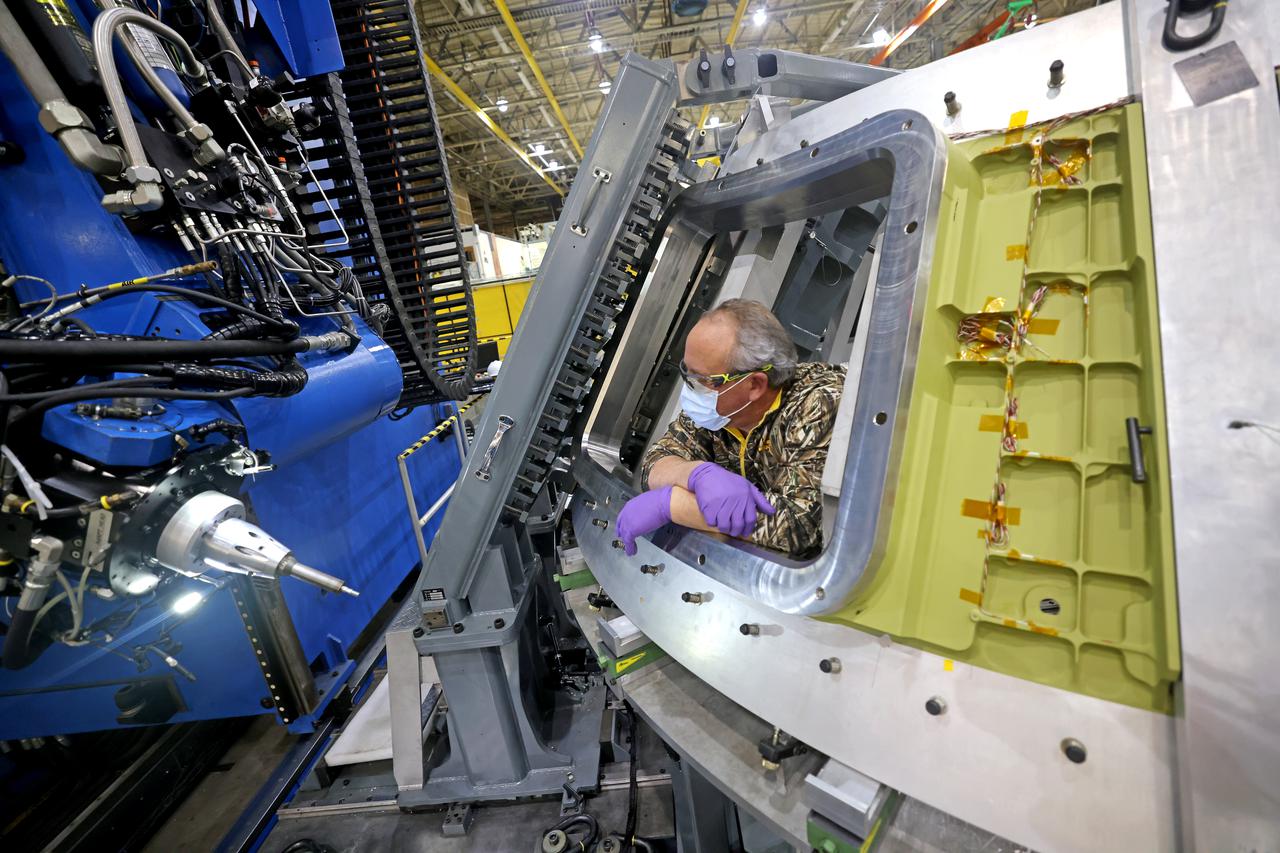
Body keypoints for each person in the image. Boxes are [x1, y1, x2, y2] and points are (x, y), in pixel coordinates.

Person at [615, 299, 846, 559]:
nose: (691, 388)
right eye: (687, 374)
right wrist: (694, 474)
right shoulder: (718, 409)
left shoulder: (820, 403)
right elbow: (657, 460)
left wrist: (673, 504)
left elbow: (797, 528)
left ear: (755, 385)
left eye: (702, 380)